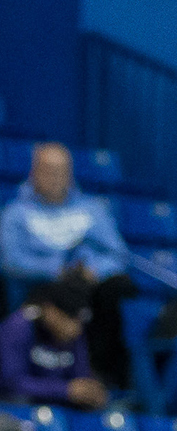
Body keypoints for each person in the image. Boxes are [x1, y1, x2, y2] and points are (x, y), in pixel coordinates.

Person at [0, 142, 136, 388]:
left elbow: (118, 255)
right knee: (65, 293)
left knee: (116, 288)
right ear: (33, 173)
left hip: (87, 284)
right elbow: (10, 262)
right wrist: (54, 270)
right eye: (48, 171)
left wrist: (94, 270)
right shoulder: (15, 213)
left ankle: (103, 377)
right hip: (42, 286)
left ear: (70, 175)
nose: (54, 178)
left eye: (60, 171)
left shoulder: (93, 210)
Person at [0, 275, 109, 409]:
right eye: (69, 318)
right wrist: (65, 390)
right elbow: (11, 383)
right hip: (21, 406)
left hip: (59, 407)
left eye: (79, 321)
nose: (75, 328)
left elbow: (80, 377)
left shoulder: (75, 334)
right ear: (50, 310)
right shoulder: (18, 327)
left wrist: (89, 392)